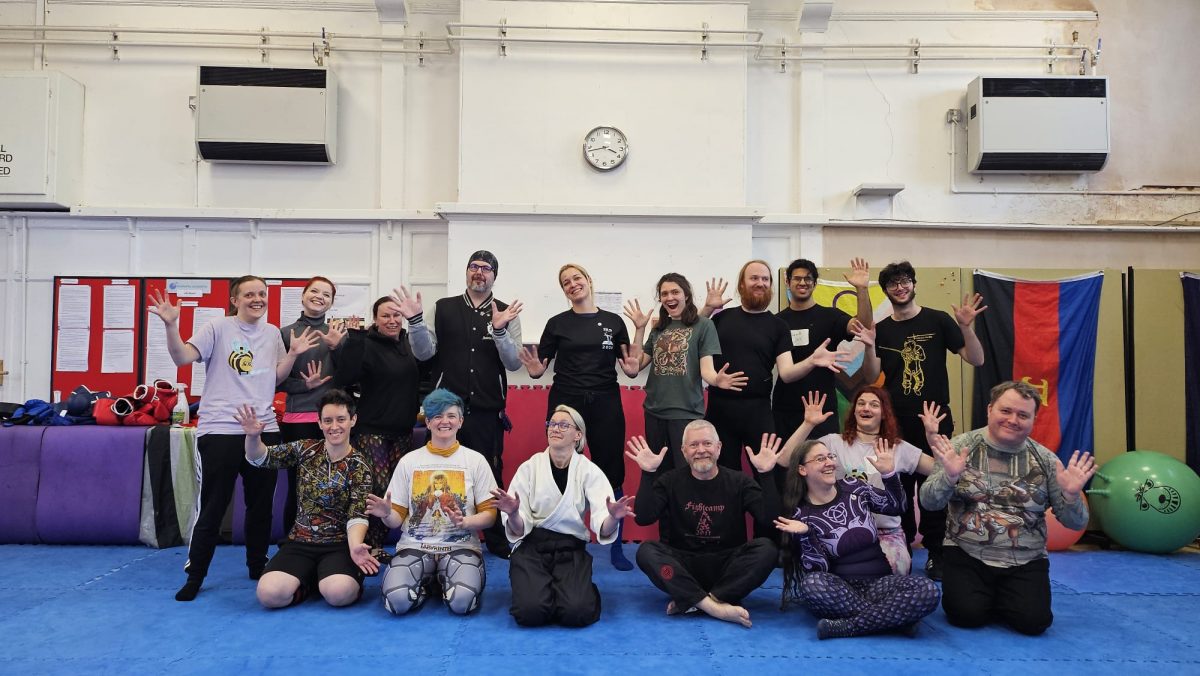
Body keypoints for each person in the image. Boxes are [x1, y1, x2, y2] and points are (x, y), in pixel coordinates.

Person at [148, 275, 320, 602]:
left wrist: (293, 354)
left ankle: (257, 565)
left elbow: (275, 377)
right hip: (221, 429)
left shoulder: (272, 333)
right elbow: (182, 357)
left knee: (261, 505)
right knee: (213, 506)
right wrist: (171, 325)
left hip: (264, 428)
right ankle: (196, 574)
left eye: (262, 294)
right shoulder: (218, 327)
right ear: (235, 300)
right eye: (249, 294)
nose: (257, 299)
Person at [920, 380, 1095, 636]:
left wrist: (1070, 496)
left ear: (1033, 419)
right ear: (990, 409)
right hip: (967, 553)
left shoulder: (1046, 461)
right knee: (965, 615)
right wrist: (949, 477)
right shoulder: (960, 448)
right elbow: (928, 501)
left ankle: (1004, 596)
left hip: (1025, 559)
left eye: (1023, 415)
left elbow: (1076, 523)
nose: (1013, 420)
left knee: (1033, 623)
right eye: (1006, 411)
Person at [860, 260, 986, 580]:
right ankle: (900, 545)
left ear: (914, 284)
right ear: (886, 291)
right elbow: (872, 376)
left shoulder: (938, 319)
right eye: (893, 283)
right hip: (895, 421)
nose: (900, 287)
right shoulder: (882, 329)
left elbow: (976, 358)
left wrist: (966, 327)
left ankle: (936, 552)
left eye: (905, 281)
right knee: (897, 486)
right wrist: (869, 345)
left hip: (935, 418)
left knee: (936, 486)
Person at [393, 250, 523, 559]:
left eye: (486, 268)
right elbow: (424, 353)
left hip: (487, 408)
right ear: (466, 272)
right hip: (445, 410)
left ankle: (496, 539)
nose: (479, 272)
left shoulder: (506, 311)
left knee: (491, 472)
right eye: (474, 266)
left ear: (494, 276)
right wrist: (415, 322)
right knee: (438, 471)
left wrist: (500, 331)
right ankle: (434, 532)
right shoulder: (443, 308)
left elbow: (514, 361)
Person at [519, 263, 641, 571]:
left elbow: (630, 366)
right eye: (566, 282)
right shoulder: (557, 323)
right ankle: (558, 538)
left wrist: (634, 358)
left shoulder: (613, 322)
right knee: (560, 467)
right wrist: (535, 370)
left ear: (588, 281)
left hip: (605, 401)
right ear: (564, 290)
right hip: (566, 401)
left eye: (577, 278)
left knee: (611, 471)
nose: (572, 284)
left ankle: (615, 547)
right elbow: (539, 368)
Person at [776, 439, 941, 639]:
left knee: (928, 590)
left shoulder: (853, 487)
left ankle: (850, 626)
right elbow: (819, 569)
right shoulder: (800, 515)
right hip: (841, 591)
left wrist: (889, 475)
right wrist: (806, 535)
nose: (829, 462)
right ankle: (896, 620)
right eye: (820, 459)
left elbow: (897, 507)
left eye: (830, 456)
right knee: (812, 584)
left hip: (881, 584)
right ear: (802, 469)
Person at [626, 420, 782, 628]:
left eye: (707, 443)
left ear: (718, 448)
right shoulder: (670, 480)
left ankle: (696, 600)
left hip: (729, 569)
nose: (701, 450)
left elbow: (769, 519)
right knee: (646, 552)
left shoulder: (739, 481)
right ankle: (715, 606)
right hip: (681, 569)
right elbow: (643, 517)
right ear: (684, 451)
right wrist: (648, 473)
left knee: (767, 549)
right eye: (693, 445)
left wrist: (766, 475)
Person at [701, 260, 850, 472]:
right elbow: (691, 336)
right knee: (723, 474)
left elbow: (787, 373)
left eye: (765, 279)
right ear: (741, 284)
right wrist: (708, 308)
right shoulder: (721, 319)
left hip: (758, 410)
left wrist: (811, 360)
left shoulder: (778, 325)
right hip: (720, 409)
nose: (760, 283)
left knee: (767, 472)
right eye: (754, 278)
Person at [494, 404, 636, 627]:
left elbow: (603, 523)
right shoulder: (530, 468)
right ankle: (542, 591)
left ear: (578, 435)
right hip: (532, 547)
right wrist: (512, 513)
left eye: (563, 425)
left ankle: (573, 591)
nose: (555, 428)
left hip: (570, 549)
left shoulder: (589, 470)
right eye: (551, 424)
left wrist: (614, 518)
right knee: (530, 612)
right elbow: (518, 528)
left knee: (577, 612)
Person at [234, 389, 376, 608]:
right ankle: (309, 584)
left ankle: (330, 581)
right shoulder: (305, 449)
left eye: (341, 419)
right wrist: (253, 437)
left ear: (353, 420)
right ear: (319, 423)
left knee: (339, 594)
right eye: (327, 420)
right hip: (300, 542)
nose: (334, 426)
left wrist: (355, 546)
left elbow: (357, 515)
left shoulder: (360, 465)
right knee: (268, 595)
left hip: (339, 544)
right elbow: (260, 458)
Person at [778, 383, 936, 575]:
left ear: (884, 413)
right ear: (854, 411)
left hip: (884, 533)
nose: (866, 408)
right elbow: (785, 460)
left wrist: (932, 437)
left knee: (888, 574)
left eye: (874, 404)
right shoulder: (833, 443)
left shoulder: (897, 447)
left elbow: (938, 469)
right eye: (861, 403)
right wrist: (808, 424)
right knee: (829, 575)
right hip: (839, 532)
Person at [368, 388, 499, 616]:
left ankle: (445, 584)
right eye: (437, 416)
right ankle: (428, 587)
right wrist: (386, 514)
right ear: (427, 422)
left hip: (461, 548)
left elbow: (490, 516)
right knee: (397, 602)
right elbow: (395, 521)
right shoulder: (409, 462)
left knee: (462, 603)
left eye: (451, 416)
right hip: (415, 547)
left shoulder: (475, 461)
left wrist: (466, 522)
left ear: (460, 421)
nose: (444, 421)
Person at [327, 295, 423, 560]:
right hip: (372, 430)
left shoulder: (409, 343)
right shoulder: (365, 343)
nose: (392, 320)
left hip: (403, 429)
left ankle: (397, 540)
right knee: (377, 486)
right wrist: (353, 341)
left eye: (396, 315)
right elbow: (344, 378)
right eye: (385, 316)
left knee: (398, 488)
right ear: (376, 319)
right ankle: (371, 544)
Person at [622, 272, 747, 471]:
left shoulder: (704, 325)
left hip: (686, 413)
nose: (669, 297)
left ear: (686, 295)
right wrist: (639, 329)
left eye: (675, 292)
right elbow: (637, 365)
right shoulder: (659, 328)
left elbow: (707, 369)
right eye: (664, 294)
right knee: (658, 471)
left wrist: (716, 380)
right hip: (654, 411)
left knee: (686, 473)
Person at [772, 258, 874, 440]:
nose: (803, 282)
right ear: (787, 282)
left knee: (823, 456)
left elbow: (863, 326)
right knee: (786, 458)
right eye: (797, 278)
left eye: (808, 278)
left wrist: (862, 289)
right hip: (785, 409)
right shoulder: (777, 322)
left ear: (815, 283)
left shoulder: (830, 316)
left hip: (823, 408)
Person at [277, 275, 341, 536]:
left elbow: (349, 377)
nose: (319, 297)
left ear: (331, 302)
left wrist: (338, 349)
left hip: (333, 422)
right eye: (314, 291)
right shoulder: (285, 334)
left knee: (332, 483)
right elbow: (275, 381)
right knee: (298, 484)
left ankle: (328, 539)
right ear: (303, 296)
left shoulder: (338, 334)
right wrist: (305, 385)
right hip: (298, 420)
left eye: (326, 294)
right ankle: (291, 542)